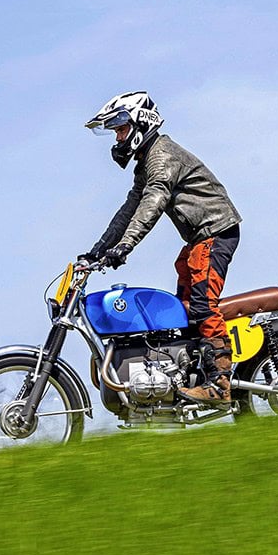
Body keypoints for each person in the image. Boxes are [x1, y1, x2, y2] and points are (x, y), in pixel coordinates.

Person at [81, 91, 242, 401]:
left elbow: (152, 204)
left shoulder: (162, 156)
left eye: (121, 129)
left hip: (215, 232)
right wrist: (97, 250)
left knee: (203, 305)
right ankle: (186, 372)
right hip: (199, 238)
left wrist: (125, 246)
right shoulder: (146, 163)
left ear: (141, 123)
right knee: (182, 312)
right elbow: (129, 209)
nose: (118, 137)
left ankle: (220, 384)